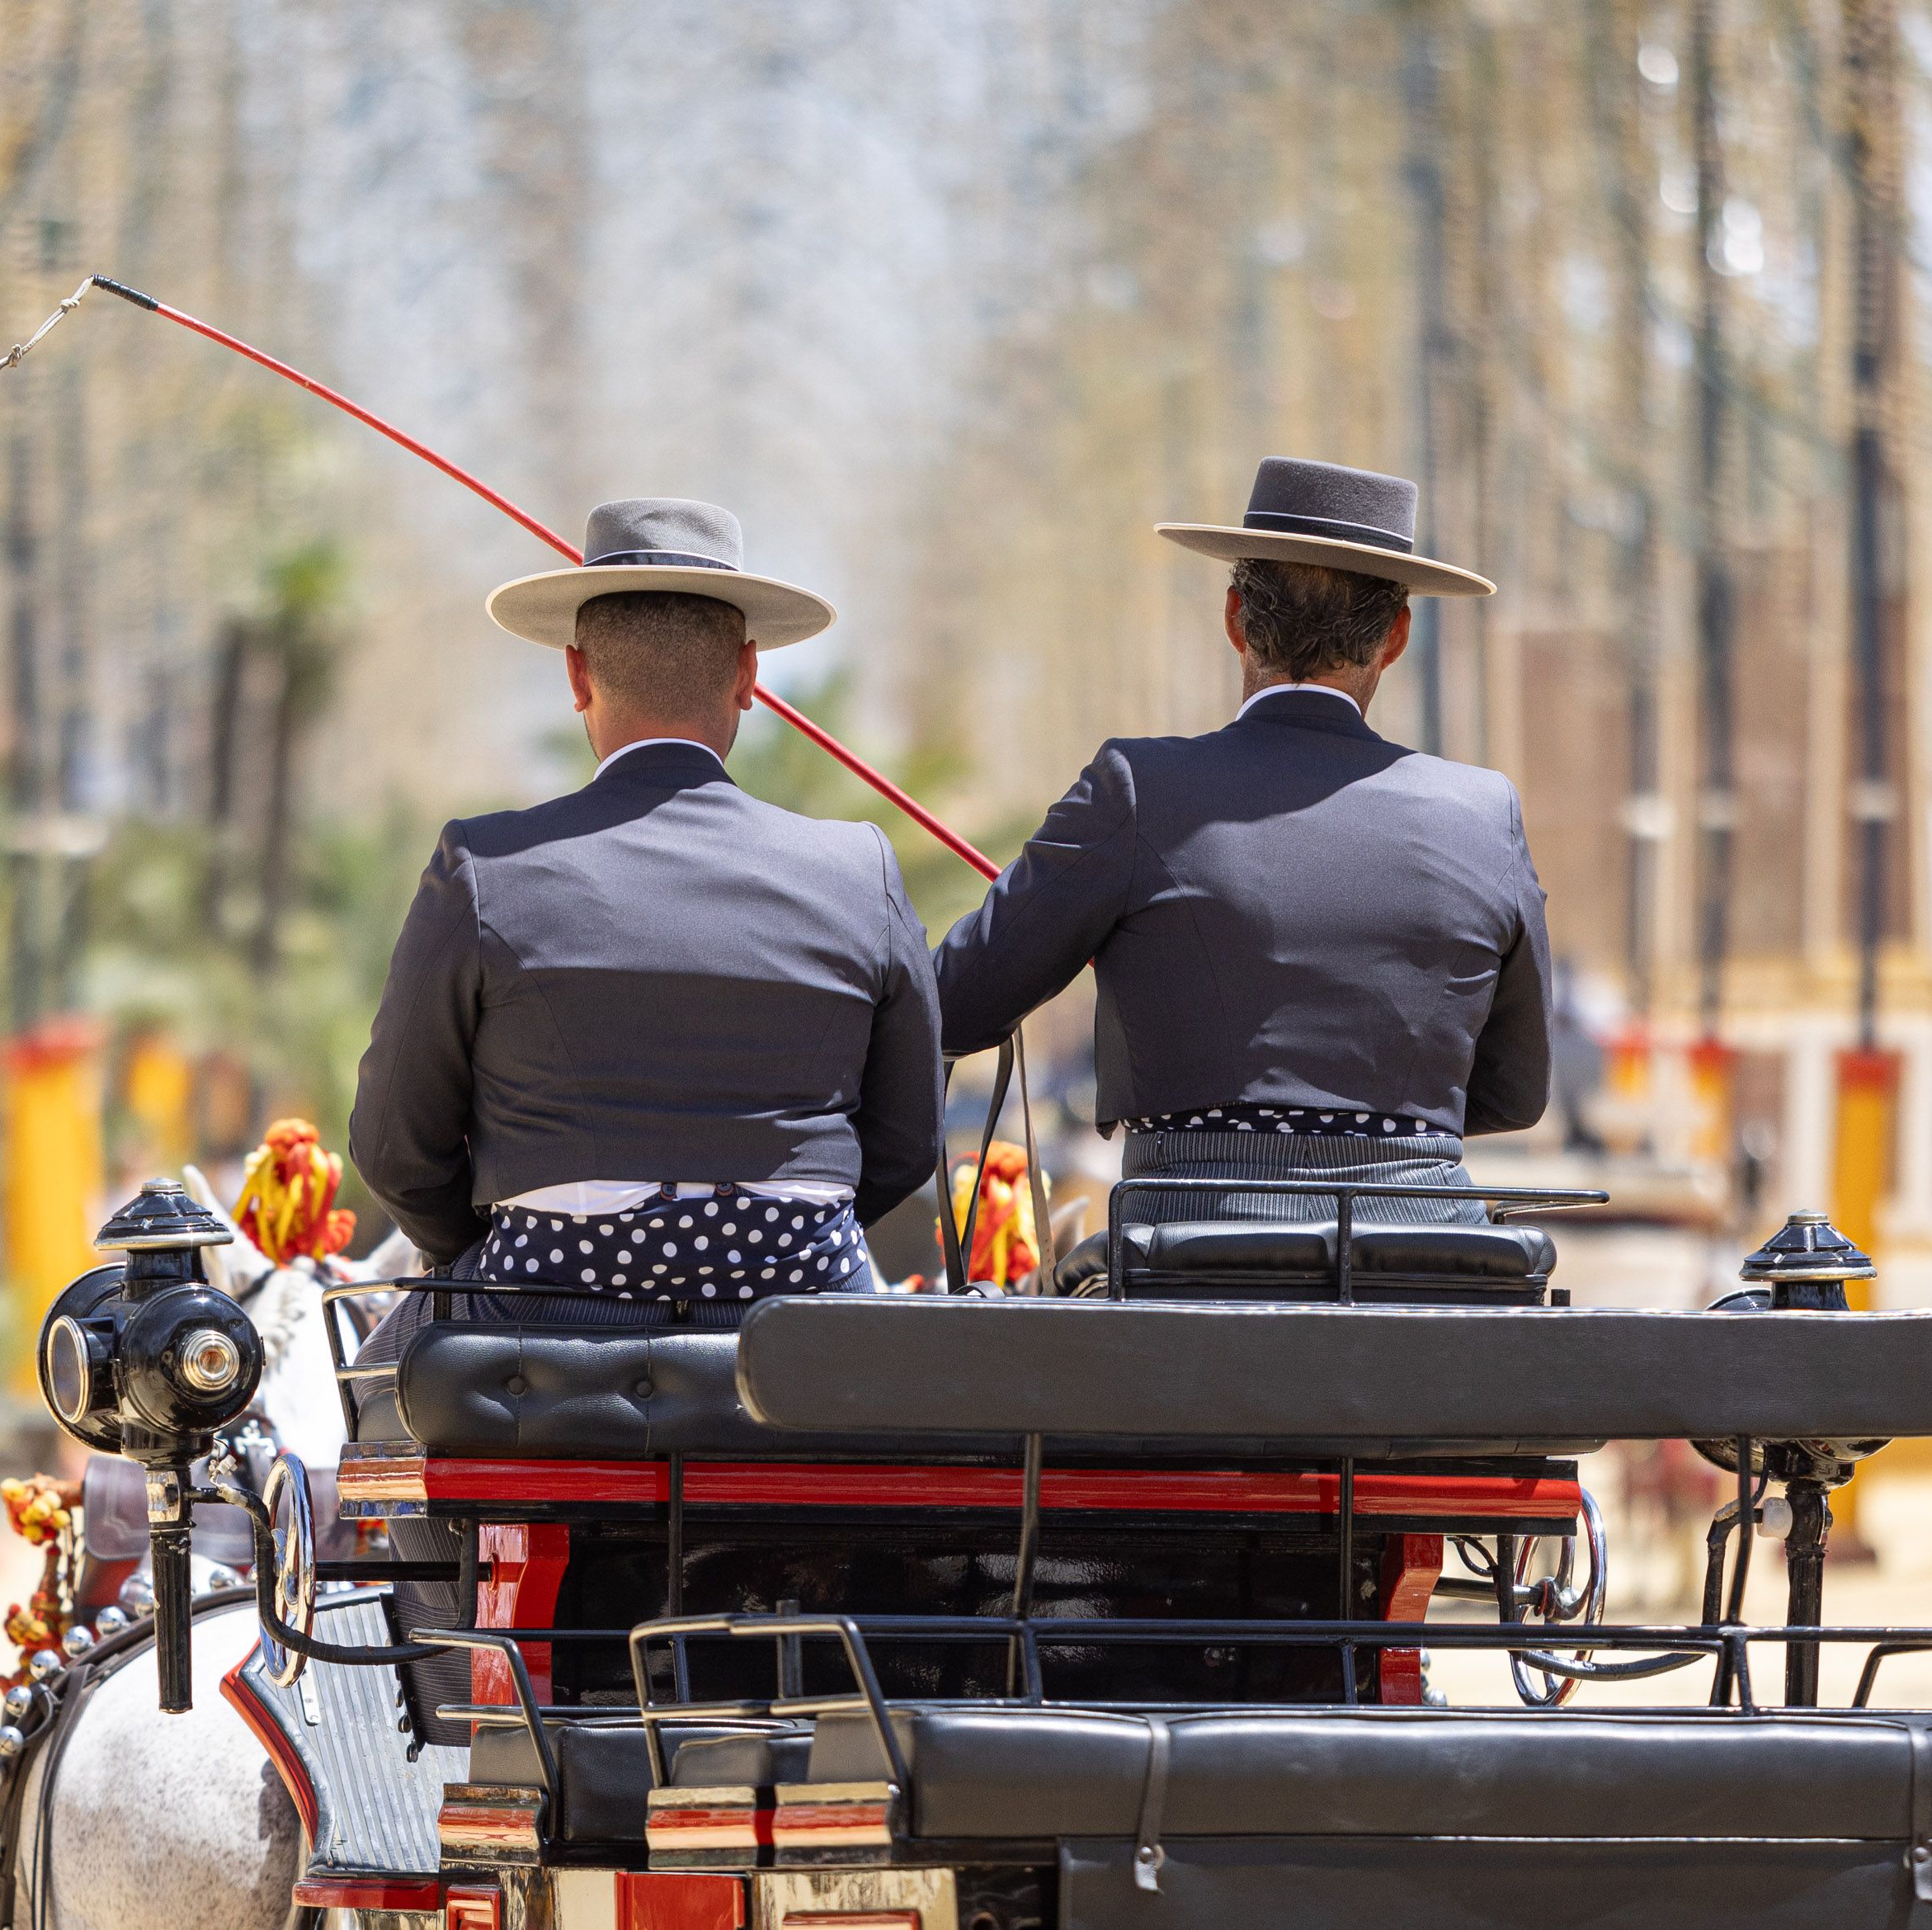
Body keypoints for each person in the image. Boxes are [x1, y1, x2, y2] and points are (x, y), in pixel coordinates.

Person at [347, 497, 943, 1331]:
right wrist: (777, 1238)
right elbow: (908, 1141)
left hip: (540, 1323)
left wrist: (497, 1240)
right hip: (802, 1330)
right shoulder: (859, 870)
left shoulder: (484, 868)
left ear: (577, 675)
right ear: (747, 677)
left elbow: (393, 1149)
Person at [933, 455, 1551, 1225]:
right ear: (1395, 637)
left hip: (1189, 1253)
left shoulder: (1137, 785)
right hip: (1420, 1254)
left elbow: (954, 1006)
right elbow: (1514, 1091)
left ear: (1235, 619)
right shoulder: (1485, 813)